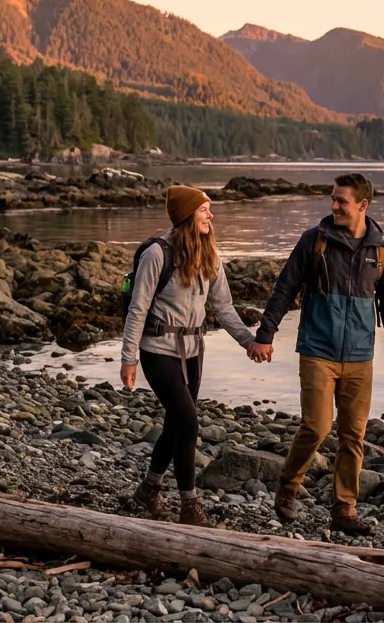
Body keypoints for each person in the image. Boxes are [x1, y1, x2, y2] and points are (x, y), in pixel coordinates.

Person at [247, 173, 384, 534]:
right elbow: (284, 288)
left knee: (354, 436)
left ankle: (344, 510)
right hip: (317, 350)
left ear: (362, 205)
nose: (333, 206)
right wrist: (265, 334)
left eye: (341, 201)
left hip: (360, 355)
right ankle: (288, 486)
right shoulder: (314, 241)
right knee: (316, 427)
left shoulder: (382, 250)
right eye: (332, 199)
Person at [121, 184, 265, 526]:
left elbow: (223, 306)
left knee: (177, 422)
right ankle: (190, 505)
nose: (210, 215)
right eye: (204, 210)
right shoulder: (157, 255)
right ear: (188, 215)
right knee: (188, 420)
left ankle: (148, 489)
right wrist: (128, 358)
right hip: (157, 350)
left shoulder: (210, 255)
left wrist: (250, 342)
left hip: (194, 352)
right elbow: (138, 308)